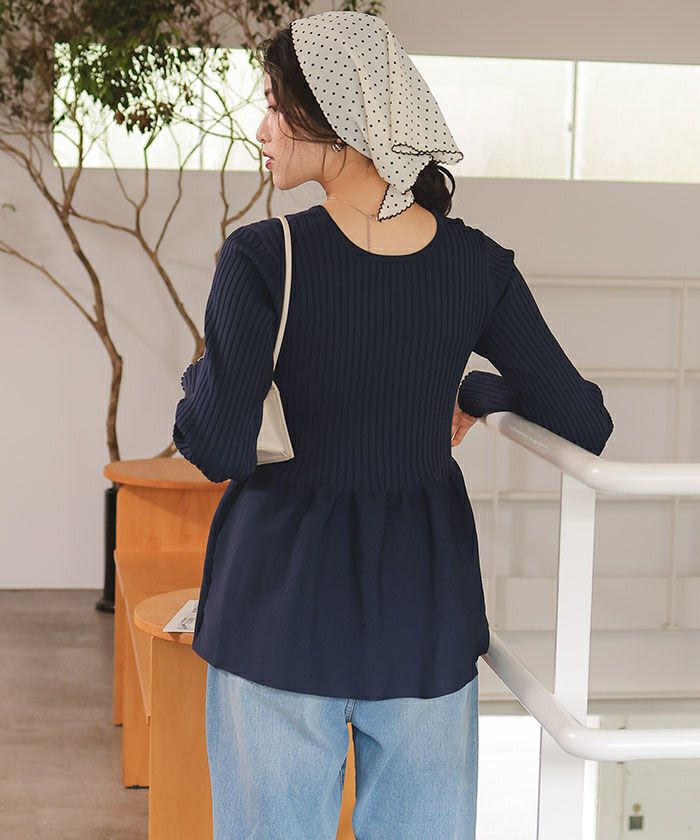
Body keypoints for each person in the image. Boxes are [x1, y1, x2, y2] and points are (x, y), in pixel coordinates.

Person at [172, 11, 614, 840]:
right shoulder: (476, 264)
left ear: (334, 118)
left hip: (278, 607)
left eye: (274, 105)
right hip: (424, 610)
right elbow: (582, 419)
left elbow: (219, 444)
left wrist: (202, 376)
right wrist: (474, 389)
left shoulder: (264, 256)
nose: (262, 129)